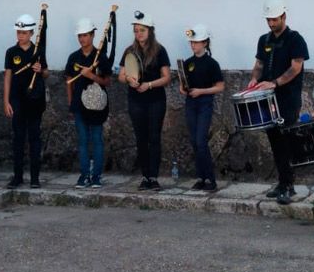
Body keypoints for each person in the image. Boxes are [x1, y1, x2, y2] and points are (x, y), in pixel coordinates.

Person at [247, 0, 309, 205]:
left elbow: (295, 68)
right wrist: (255, 78)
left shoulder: (295, 39)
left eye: (274, 19)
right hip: (267, 98)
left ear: (283, 16)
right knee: (274, 141)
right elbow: (259, 63)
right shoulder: (263, 40)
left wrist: (275, 82)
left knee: (286, 140)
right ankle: (282, 183)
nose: (271, 24)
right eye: (268, 20)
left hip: (287, 98)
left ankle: (289, 185)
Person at [117, 10, 172, 191]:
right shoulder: (129, 51)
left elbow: (166, 77)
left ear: (150, 31)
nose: (138, 33)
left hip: (155, 100)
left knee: (154, 138)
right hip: (136, 101)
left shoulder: (160, 51)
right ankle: (145, 176)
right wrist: (129, 81)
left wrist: (148, 85)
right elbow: (121, 75)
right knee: (140, 138)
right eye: (136, 30)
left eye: (142, 30)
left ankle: (154, 177)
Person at [66, 18, 112, 189]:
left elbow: (107, 81)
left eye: (85, 35)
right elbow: (69, 81)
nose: (82, 38)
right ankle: (84, 175)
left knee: (97, 139)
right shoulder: (73, 57)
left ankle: (97, 176)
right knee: (83, 140)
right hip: (79, 104)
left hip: (97, 105)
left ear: (93, 35)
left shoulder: (100, 57)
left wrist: (92, 76)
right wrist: (71, 102)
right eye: (80, 35)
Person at [178, 24, 224, 192]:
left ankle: (210, 179)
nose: (193, 45)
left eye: (197, 42)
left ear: (205, 43)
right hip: (191, 103)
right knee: (194, 142)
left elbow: (220, 86)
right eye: (192, 42)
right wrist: (183, 89)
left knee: (201, 141)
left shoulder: (212, 63)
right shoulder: (188, 63)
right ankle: (200, 177)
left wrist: (202, 91)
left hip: (204, 103)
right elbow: (184, 85)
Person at [3, 13, 48, 189]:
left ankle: (35, 178)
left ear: (31, 33)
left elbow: (46, 73)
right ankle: (18, 176)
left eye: (24, 32)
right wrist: (6, 100)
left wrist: (40, 69)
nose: (20, 35)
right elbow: (7, 77)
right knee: (18, 139)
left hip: (35, 99)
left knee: (34, 138)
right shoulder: (11, 52)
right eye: (18, 32)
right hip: (17, 99)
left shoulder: (38, 50)